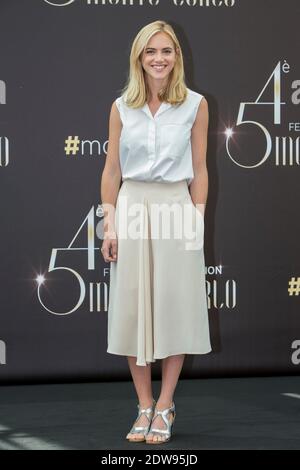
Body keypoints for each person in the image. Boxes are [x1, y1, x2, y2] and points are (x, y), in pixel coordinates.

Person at [100, 20, 212, 444]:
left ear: (177, 56)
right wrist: (109, 221)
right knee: (132, 308)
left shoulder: (195, 105)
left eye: (166, 50)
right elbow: (111, 170)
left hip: (174, 206)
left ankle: (165, 406)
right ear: (139, 58)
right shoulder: (120, 107)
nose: (159, 58)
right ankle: (143, 405)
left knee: (174, 306)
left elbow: (200, 169)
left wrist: (195, 218)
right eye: (151, 51)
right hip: (130, 205)